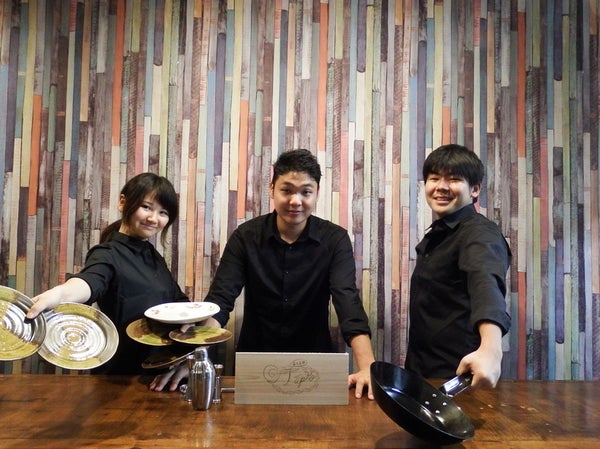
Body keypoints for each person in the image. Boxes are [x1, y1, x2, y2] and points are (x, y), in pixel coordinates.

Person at [154, 149, 376, 398]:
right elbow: (220, 300)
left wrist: (367, 367)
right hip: (255, 362)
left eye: (306, 192)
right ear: (272, 189)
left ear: (317, 193)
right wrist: (195, 358)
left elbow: (347, 301)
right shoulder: (246, 236)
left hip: (314, 361)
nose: (295, 201)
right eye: (287, 190)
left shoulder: (335, 240)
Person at [27, 172, 189, 390]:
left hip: (159, 375)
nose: (153, 218)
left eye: (163, 212)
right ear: (123, 202)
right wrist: (60, 294)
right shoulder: (107, 253)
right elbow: (90, 281)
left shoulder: (153, 256)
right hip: (121, 379)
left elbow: (178, 301)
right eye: (147, 207)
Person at [404, 144, 511, 389]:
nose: (441, 186)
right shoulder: (438, 235)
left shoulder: (479, 233)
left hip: (460, 380)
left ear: (474, 189)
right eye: (434, 178)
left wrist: (491, 350)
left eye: (453, 179)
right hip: (423, 374)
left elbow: (486, 284)